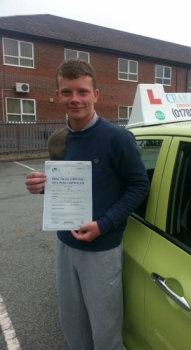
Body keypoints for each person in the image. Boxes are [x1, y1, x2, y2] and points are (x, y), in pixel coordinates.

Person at [25, 58, 150, 350]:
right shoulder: (59, 139)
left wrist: (103, 225)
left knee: (105, 332)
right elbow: (68, 189)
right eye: (67, 92)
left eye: (82, 91)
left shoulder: (118, 138)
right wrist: (41, 187)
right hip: (65, 244)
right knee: (73, 325)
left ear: (95, 94)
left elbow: (139, 185)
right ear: (57, 95)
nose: (75, 99)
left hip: (101, 248)